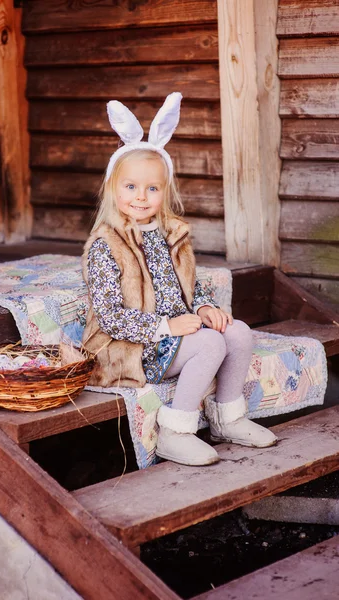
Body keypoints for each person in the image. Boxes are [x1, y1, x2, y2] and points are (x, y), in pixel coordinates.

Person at [82, 92, 277, 466]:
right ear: (113, 187)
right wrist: (166, 326)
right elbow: (109, 316)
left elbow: (190, 284)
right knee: (209, 345)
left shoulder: (171, 233)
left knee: (237, 332)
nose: (141, 196)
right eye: (131, 187)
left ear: (165, 191)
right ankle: (176, 432)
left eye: (152, 188)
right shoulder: (105, 245)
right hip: (133, 348)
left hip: (175, 334)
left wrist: (203, 305)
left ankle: (228, 417)